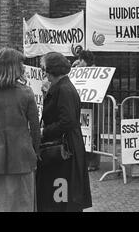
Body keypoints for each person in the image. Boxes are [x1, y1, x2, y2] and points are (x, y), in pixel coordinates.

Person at [36, 52, 92, 212]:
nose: (44, 73)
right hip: (63, 147)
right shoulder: (60, 87)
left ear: (52, 69)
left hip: (64, 150)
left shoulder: (64, 89)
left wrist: (43, 132)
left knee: (61, 196)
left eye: (45, 69)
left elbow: (67, 121)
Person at [0, 48, 40, 212]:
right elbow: (35, 128)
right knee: (23, 203)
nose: (23, 67)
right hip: (23, 156)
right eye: (21, 63)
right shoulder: (26, 92)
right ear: (13, 67)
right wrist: (36, 151)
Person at [72, 50, 100, 172]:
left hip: (92, 106)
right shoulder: (81, 70)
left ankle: (93, 162)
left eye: (80, 60)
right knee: (85, 132)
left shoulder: (95, 71)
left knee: (93, 132)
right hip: (84, 106)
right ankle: (86, 160)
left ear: (83, 60)